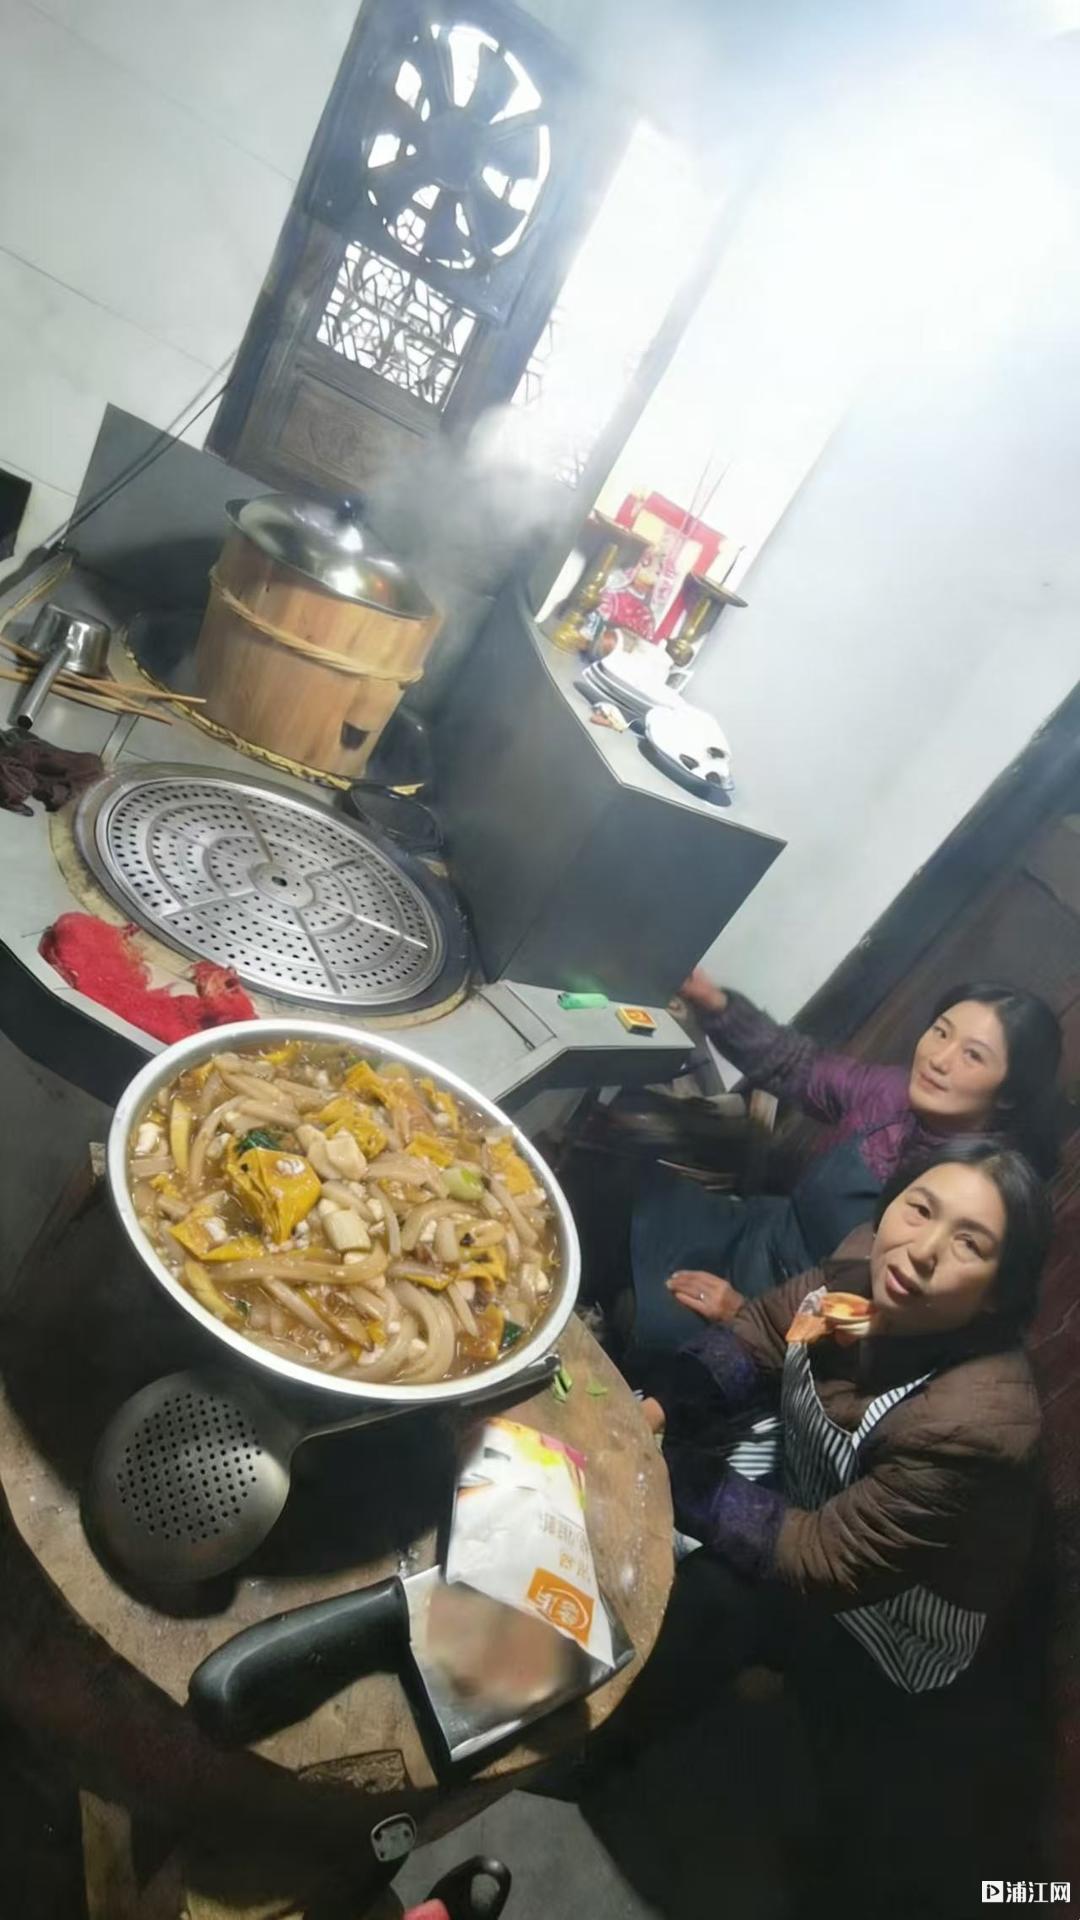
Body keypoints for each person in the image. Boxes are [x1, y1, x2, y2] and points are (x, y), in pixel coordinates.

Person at [603, 1142, 1053, 1912]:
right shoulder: (861, 1266)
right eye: (919, 1209)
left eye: (970, 1244)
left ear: (996, 1295)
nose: (923, 1249)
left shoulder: (977, 1423)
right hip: (816, 1493)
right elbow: (762, 1332)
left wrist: (664, 1468)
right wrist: (657, 1408)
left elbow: (822, 1559)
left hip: (888, 1612)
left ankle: (607, 1748)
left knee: (713, 1603)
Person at [628, 972, 1061, 1366]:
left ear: (1009, 1094)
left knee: (645, 1319)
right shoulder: (890, 1094)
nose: (939, 1059)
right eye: (941, 1031)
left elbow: (883, 1330)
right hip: (755, 1232)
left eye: (973, 1056)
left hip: (793, 1313)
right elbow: (797, 1066)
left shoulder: (984, 1189)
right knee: (625, 1197)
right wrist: (714, 1002)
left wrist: (744, 1313)